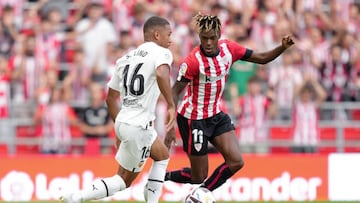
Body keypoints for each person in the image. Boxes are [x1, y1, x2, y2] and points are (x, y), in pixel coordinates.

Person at [164, 13, 294, 192]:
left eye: (212, 38)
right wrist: (170, 126)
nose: (208, 43)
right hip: (193, 119)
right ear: (199, 37)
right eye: (204, 38)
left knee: (236, 162)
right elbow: (174, 91)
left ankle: (202, 194)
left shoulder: (229, 49)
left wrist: (282, 47)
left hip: (216, 115)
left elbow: (262, 58)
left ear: (219, 35)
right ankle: (164, 176)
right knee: (199, 176)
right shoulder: (193, 61)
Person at [59, 16, 176, 203]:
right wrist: (171, 104)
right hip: (139, 125)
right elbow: (162, 73)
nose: (171, 39)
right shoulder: (162, 53)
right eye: (169, 34)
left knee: (161, 156)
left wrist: (118, 130)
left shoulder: (125, 58)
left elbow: (110, 98)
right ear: (156, 34)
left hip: (124, 121)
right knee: (123, 180)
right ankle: (78, 197)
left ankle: (152, 200)